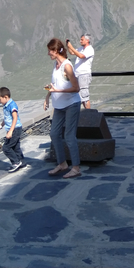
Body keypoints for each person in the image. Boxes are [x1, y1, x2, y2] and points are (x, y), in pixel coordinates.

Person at [45, 37, 82, 179]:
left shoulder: (67, 66)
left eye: (50, 51)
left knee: (69, 135)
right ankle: (62, 164)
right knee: (54, 134)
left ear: (55, 51)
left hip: (71, 104)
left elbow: (76, 88)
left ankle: (76, 167)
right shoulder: (56, 65)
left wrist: (57, 92)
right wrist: (48, 96)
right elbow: (55, 84)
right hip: (59, 106)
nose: (48, 53)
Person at [0, 87, 24, 172]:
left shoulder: (12, 105)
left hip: (15, 129)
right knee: (16, 147)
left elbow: (15, 117)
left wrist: (11, 131)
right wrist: (0, 126)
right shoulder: (6, 106)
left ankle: (15, 162)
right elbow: (7, 118)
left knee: (6, 148)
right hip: (12, 129)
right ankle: (22, 162)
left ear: (5, 97)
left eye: (0, 99)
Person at [67, 34, 94, 109]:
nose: (80, 41)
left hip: (84, 75)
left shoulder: (89, 49)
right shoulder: (81, 48)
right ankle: (85, 113)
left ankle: (88, 113)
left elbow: (81, 56)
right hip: (77, 74)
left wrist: (71, 47)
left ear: (87, 40)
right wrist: (68, 46)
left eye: (82, 40)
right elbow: (72, 52)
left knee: (84, 95)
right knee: (79, 95)